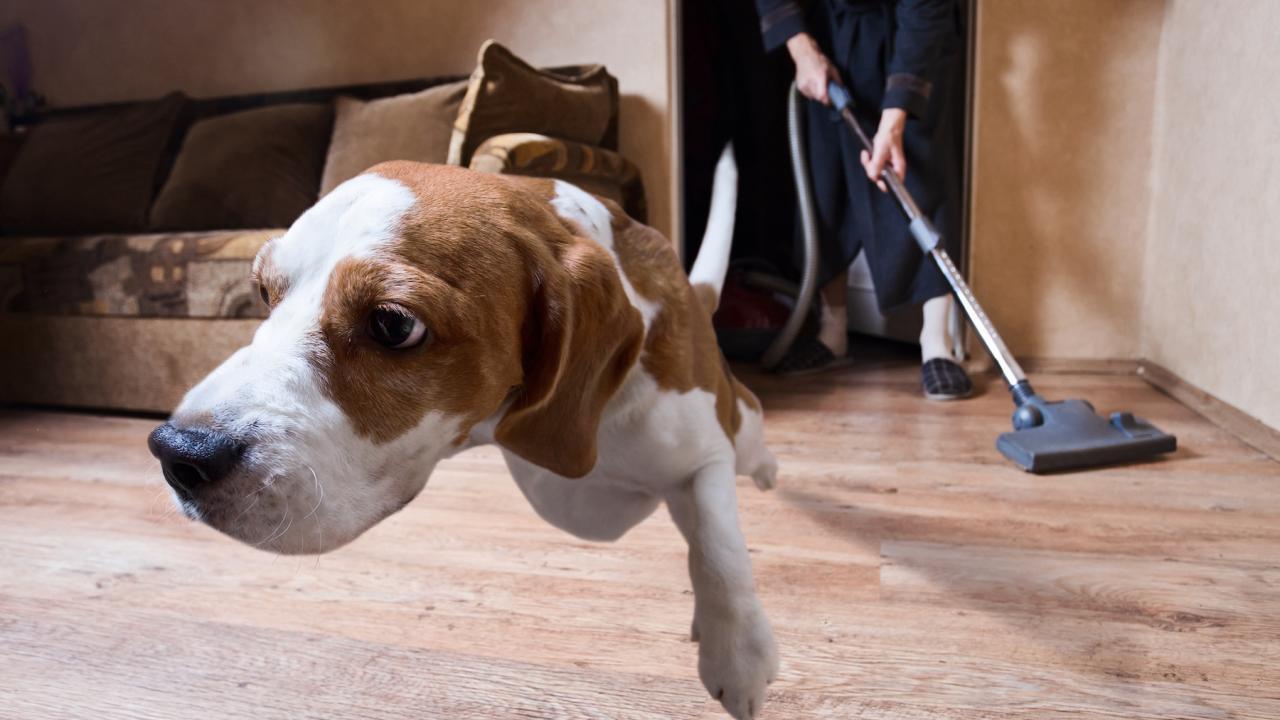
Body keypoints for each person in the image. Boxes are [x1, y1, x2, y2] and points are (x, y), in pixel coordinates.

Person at [755, 0, 972, 399]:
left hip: (907, 31)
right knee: (825, 177)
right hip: (826, 28)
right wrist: (802, 49)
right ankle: (832, 330)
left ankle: (936, 343)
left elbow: (926, 11)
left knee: (921, 173)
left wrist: (894, 119)